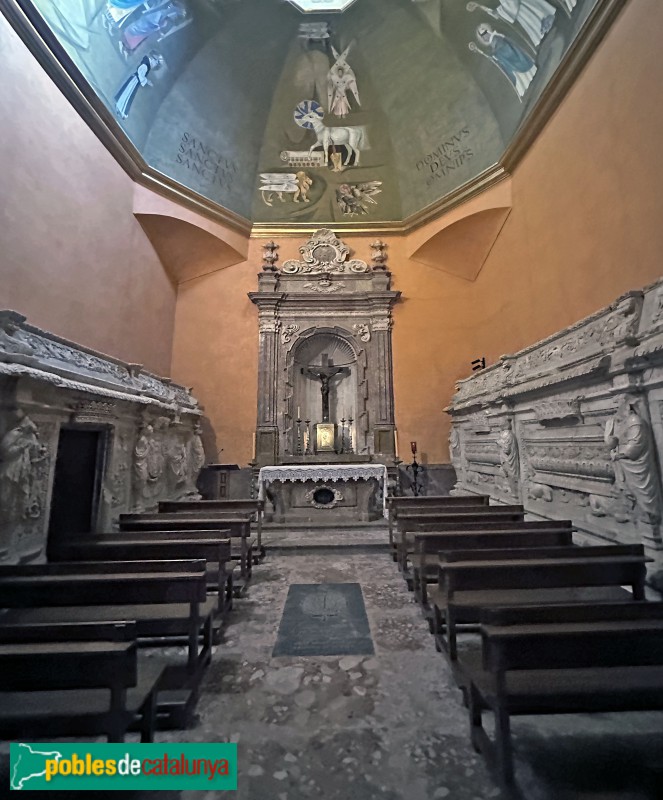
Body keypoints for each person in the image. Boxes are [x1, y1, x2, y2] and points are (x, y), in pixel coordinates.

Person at [470, 23, 537, 99]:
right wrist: (494, 56)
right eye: (482, 36)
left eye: (484, 33)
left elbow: (503, 46)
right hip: (506, 60)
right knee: (512, 73)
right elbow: (496, 51)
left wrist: (496, 52)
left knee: (517, 64)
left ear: (488, 31)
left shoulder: (496, 37)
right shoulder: (492, 43)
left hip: (510, 54)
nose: (484, 37)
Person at [467, 0, 555, 49]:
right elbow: (501, 10)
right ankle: (544, 29)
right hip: (519, 11)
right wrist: (481, 7)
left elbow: (513, 5)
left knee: (535, 14)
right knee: (530, 20)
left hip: (523, 5)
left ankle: (547, 22)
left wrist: (502, 10)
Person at [114, 50, 163, 119]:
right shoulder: (146, 65)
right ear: (153, 59)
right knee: (128, 94)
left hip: (135, 82)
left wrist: (146, 81)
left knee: (127, 94)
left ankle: (120, 107)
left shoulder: (147, 64)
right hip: (134, 82)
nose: (155, 65)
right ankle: (121, 109)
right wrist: (146, 81)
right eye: (156, 63)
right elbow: (140, 73)